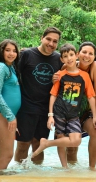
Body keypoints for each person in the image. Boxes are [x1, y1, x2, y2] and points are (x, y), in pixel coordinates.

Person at [31, 43, 96, 168]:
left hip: (73, 114)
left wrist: (95, 116)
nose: (69, 58)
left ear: (76, 55)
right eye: (65, 56)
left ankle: (47, 143)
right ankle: (65, 168)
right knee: (61, 138)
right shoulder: (61, 74)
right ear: (62, 59)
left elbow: (91, 96)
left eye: (71, 55)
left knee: (76, 141)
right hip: (59, 112)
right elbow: (53, 95)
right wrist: (50, 115)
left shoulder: (85, 76)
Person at [13, 27, 64, 164]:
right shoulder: (27, 54)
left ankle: (37, 176)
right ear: (41, 38)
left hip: (46, 110)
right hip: (26, 107)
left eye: (55, 41)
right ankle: (19, 175)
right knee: (23, 145)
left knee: (39, 146)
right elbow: (11, 75)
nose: (51, 44)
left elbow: (71, 73)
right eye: (48, 39)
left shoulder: (59, 58)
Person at [53, 41, 96, 170]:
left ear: (94, 56)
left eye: (91, 54)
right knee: (71, 148)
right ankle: (71, 173)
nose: (87, 56)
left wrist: (95, 117)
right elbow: (58, 86)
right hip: (68, 111)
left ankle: (92, 168)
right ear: (78, 54)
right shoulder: (68, 66)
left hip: (87, 112)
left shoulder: (95, 67)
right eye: (84, 52)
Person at [0, 39, 21, 171]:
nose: (11, 53)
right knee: (7, 155)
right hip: (0, 114)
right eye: (8, 50)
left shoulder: (10, 68)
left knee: (2, 155)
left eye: (14, 51)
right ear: (1, 51)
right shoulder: (1, 67)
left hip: (6, 114)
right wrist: (10, 115)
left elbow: (2, 90)